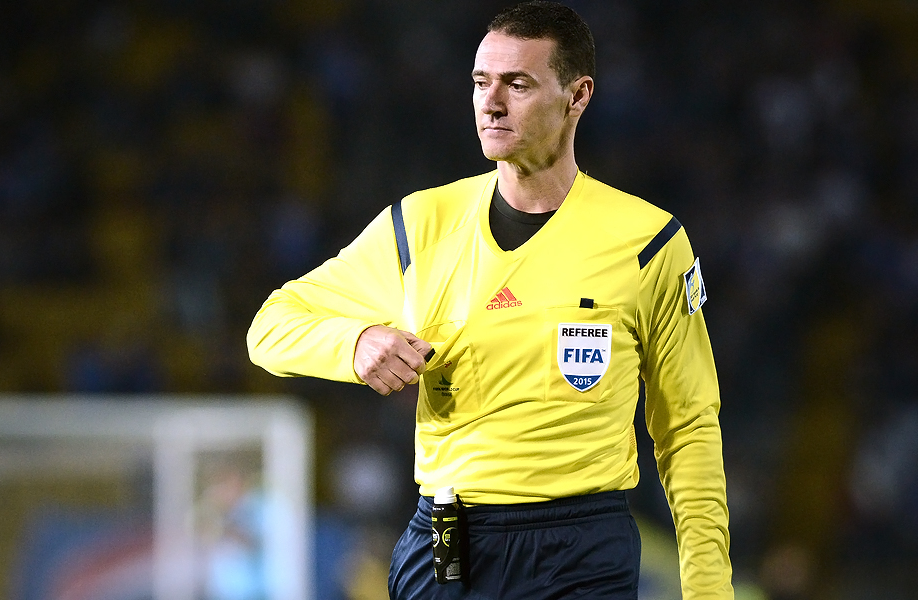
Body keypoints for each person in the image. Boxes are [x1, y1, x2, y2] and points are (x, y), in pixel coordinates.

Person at [247, 1, 733, 598]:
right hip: (449, 543)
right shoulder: (420, 224)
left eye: (518, 84)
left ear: (577, 96)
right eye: (481, 82)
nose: (491, 102)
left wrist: (708, 586)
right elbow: (269, 328)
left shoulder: (649, 242)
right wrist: (354, 343)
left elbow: (688, 425)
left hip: (582, 549)